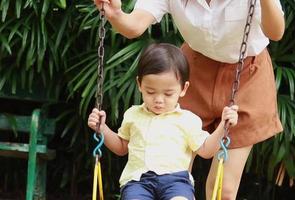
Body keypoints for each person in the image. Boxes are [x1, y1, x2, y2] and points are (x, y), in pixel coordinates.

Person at [93, 0, 285, 199]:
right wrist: (115, 14)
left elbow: (276, 32)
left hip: (246, 74)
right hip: (194, 72)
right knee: (171, 173)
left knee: (224, 190)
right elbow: (135, 25)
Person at [87, 43, 239, 200]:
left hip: (176, 181)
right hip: (138, 181)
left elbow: (206, 150)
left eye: (168, 94)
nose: (159, 100)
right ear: (139, 84)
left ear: (183, 89)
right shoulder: (132, 115)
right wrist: (103, 129)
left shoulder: (188, 120)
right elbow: (121, 147)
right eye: (150, 92)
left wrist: (223, 127)